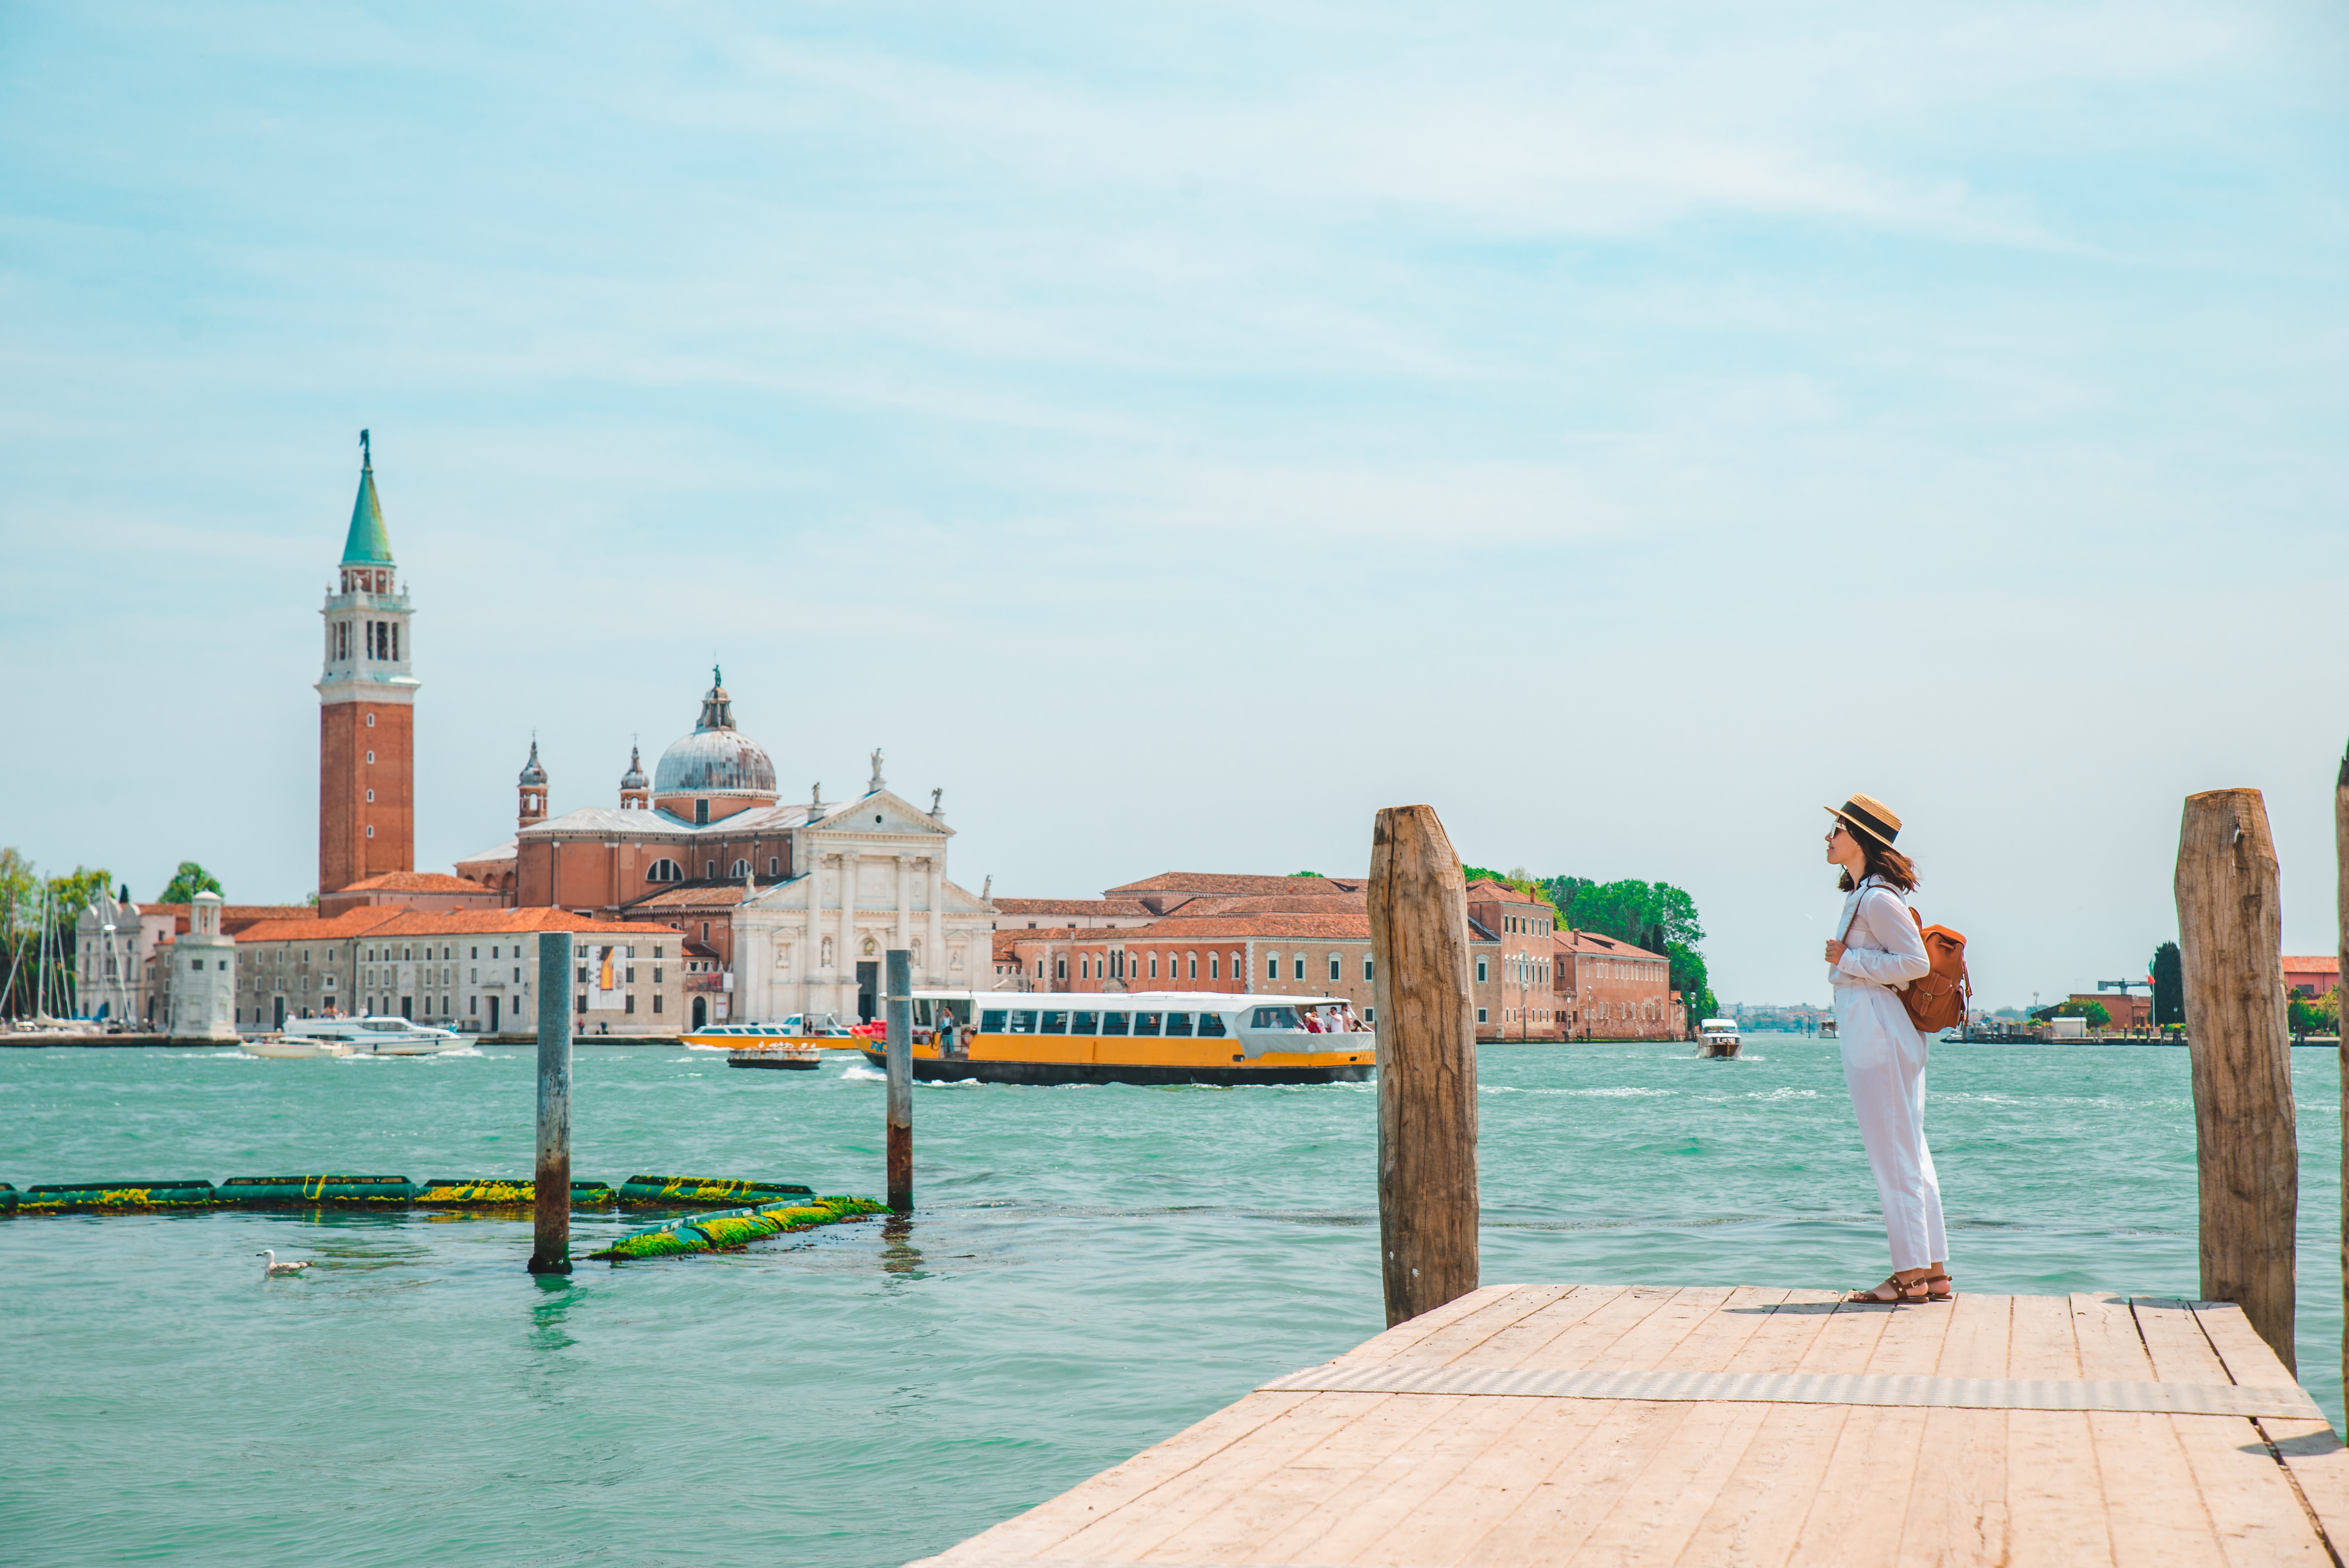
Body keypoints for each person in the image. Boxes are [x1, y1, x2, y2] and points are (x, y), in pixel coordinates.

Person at [1822, 793, 1951, 1305]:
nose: (1827, 839)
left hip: (1875, 1033)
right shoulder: (1867, 894)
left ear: (1857, 837)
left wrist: (1849, 958)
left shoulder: (1876, 899)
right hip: (1880, 1031)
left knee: (1892, 1155)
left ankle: (1909, 1276)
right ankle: (1932, 1270)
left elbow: (1914, 962)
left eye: (1835, 830)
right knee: (1910, 1152)